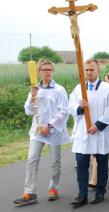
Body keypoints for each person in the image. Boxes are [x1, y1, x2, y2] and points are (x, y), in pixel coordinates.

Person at [13, 59, 69, 206]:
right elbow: (28, 110)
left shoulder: (59, 89)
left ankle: (53, 188)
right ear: (39, 71)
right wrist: (32, 96)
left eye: (50, 69)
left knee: (55, 160)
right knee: (32, 159)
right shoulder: (35, 89)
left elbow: (64, 112)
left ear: (53, 71)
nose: (48, 72)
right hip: (37, 131)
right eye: (45, 70)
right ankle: (30, 192)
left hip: (53, 130)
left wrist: (49, 125)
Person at [69, 59, 109, 209]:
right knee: (82, 164)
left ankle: (100, 192)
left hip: (100, 132)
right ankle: (82, 195)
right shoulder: (79, 88)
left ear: (98, 71)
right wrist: (80, 108)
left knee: (102, 164)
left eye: (92, 70)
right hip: (84, 132)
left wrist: (98, 125)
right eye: (86, 70)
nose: (89, 72)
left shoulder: (108, 88)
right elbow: (70, 107)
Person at [88, 73, 109, 188]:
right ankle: (94, 178)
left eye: (108, 81)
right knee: (96, 153)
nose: (105, 83)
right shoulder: (100, 92)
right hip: (105, 125)